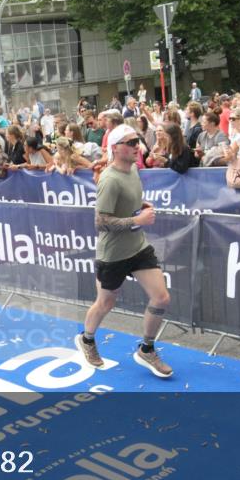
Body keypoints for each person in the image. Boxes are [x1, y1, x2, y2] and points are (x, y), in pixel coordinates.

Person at [78, 124, 173, 379]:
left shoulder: (132, 169)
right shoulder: (109, 180)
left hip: (138, 247)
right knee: (106, 302)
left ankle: (147, 348)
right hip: (113, 255)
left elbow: (127, 203)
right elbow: (101, 222)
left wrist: (140, 206)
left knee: (161, 297)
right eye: (131, 143)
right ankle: (87, 340)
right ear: (116, 148)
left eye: (137, 141)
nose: (137, 147)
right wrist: (138, 221)